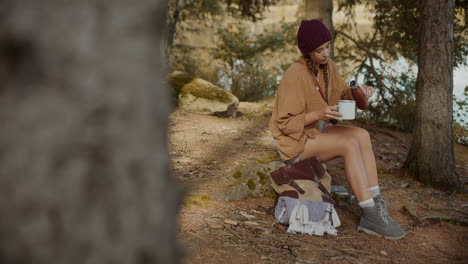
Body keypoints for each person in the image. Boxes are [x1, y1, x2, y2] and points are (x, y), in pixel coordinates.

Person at [269, 19, 405, 240]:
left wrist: (360, 91)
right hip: (296, 143)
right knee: (348, 143)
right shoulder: (294, 75)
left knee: (362, 135)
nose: (325, 54)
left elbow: (343, 94)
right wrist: (317, 115)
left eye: (327, 47)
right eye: (318, 50)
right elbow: (284, 123)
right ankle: (369, 214)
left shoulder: (328, 67)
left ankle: (376, 202)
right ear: (307, 51)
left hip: (317, 134)